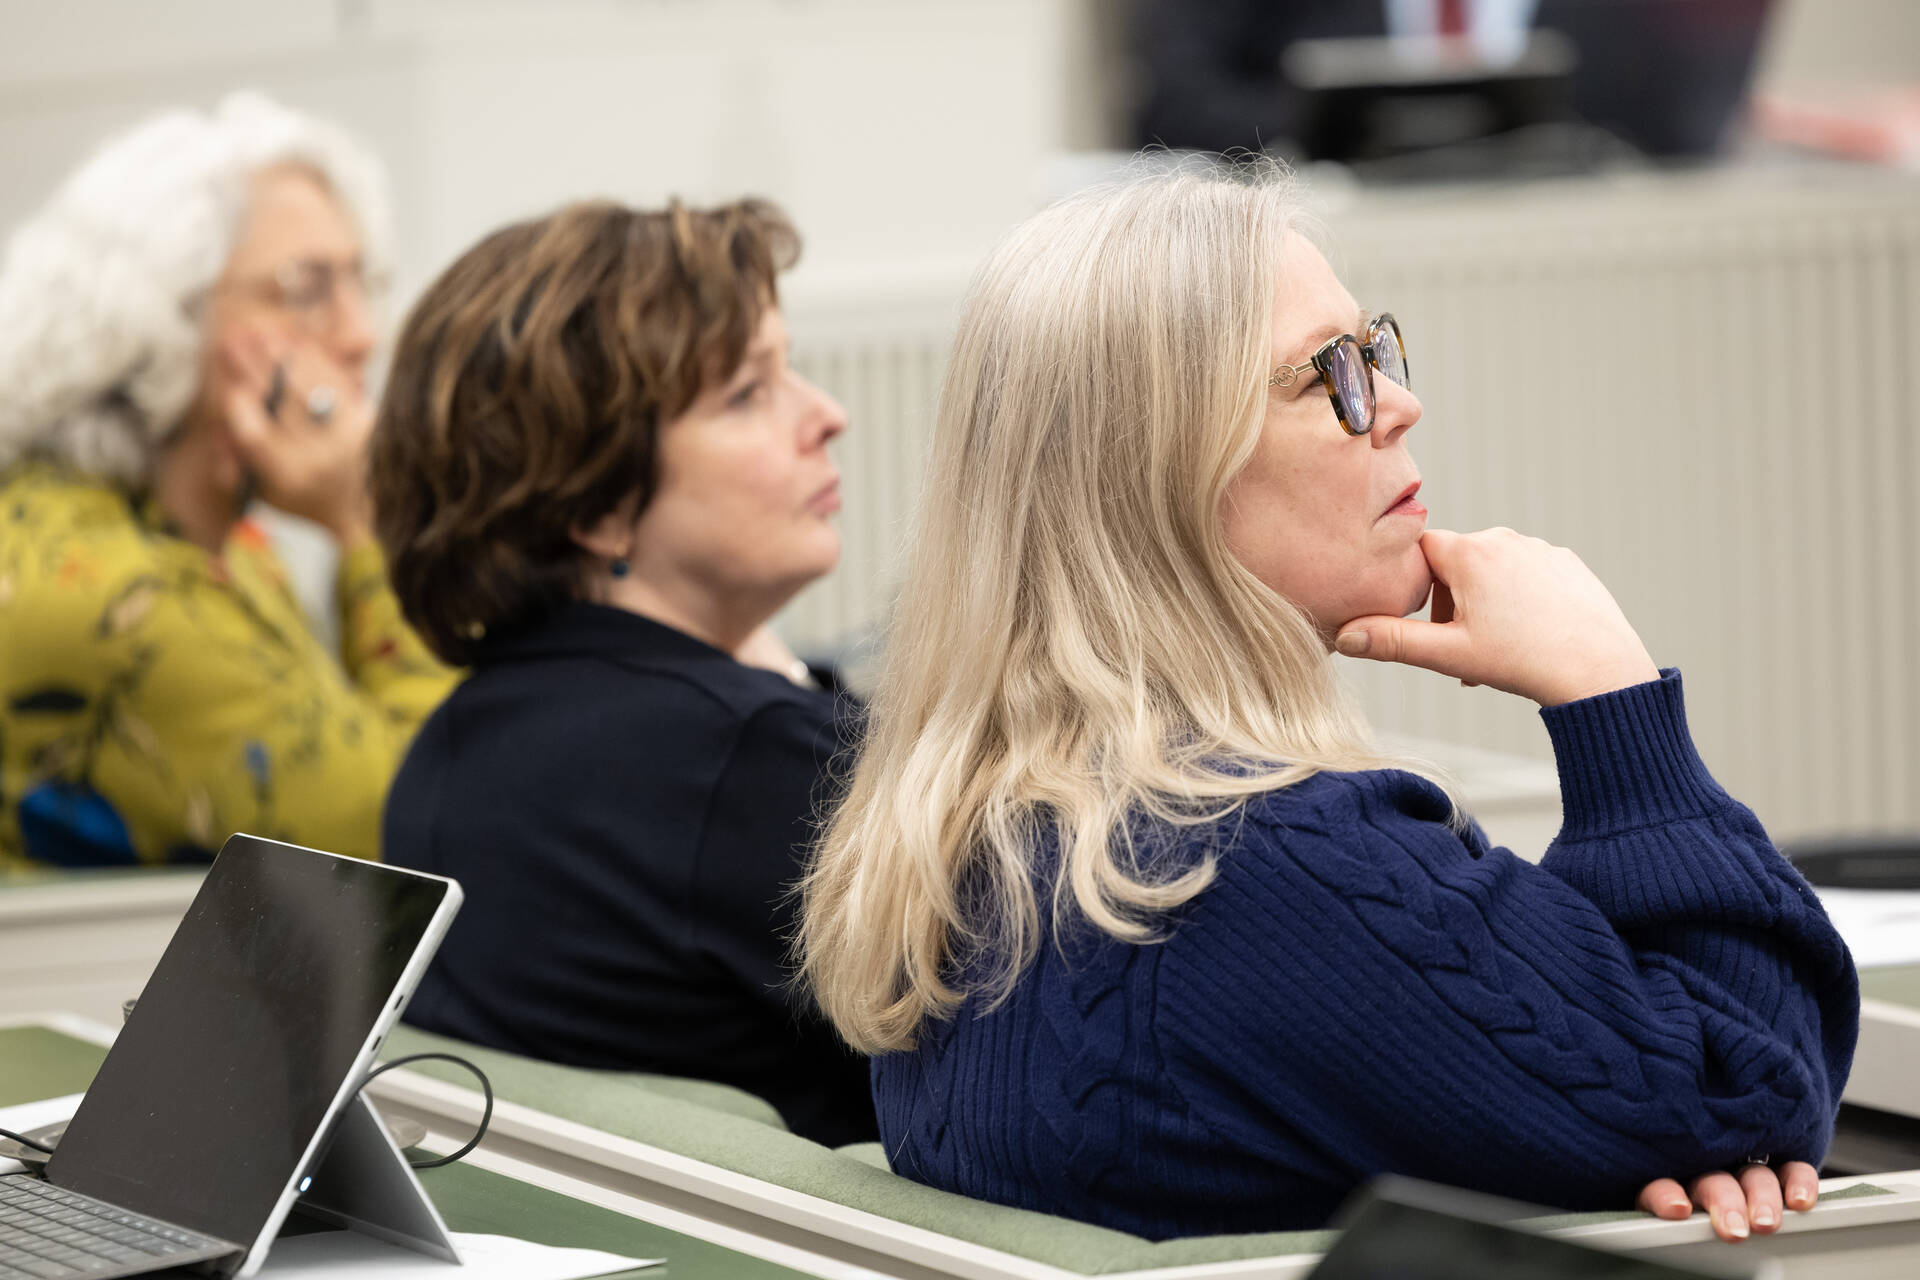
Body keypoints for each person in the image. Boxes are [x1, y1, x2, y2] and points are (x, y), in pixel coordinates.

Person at [797, 166, 1858, 1239]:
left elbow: (1680, 1103)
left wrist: (1640, 1136)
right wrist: (1610, 695)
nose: (1399, 404)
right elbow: (1750, 1080)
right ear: (1166, 473)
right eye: (1327, 377)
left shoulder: (993, 838)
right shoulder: (1266, 866)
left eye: (1376, 350)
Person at [371, 198, 875, 1147]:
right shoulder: (744, 762)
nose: (828, 416)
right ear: (597, 506)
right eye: (748, 392)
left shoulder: (453, 742)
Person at [0, 93, 454, 869]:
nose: (360, 334)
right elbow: (426, 822)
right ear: (157, 315)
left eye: (357, 283)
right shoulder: (114, 593)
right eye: (306, 288)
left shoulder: (227, 548)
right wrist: (368, 519)